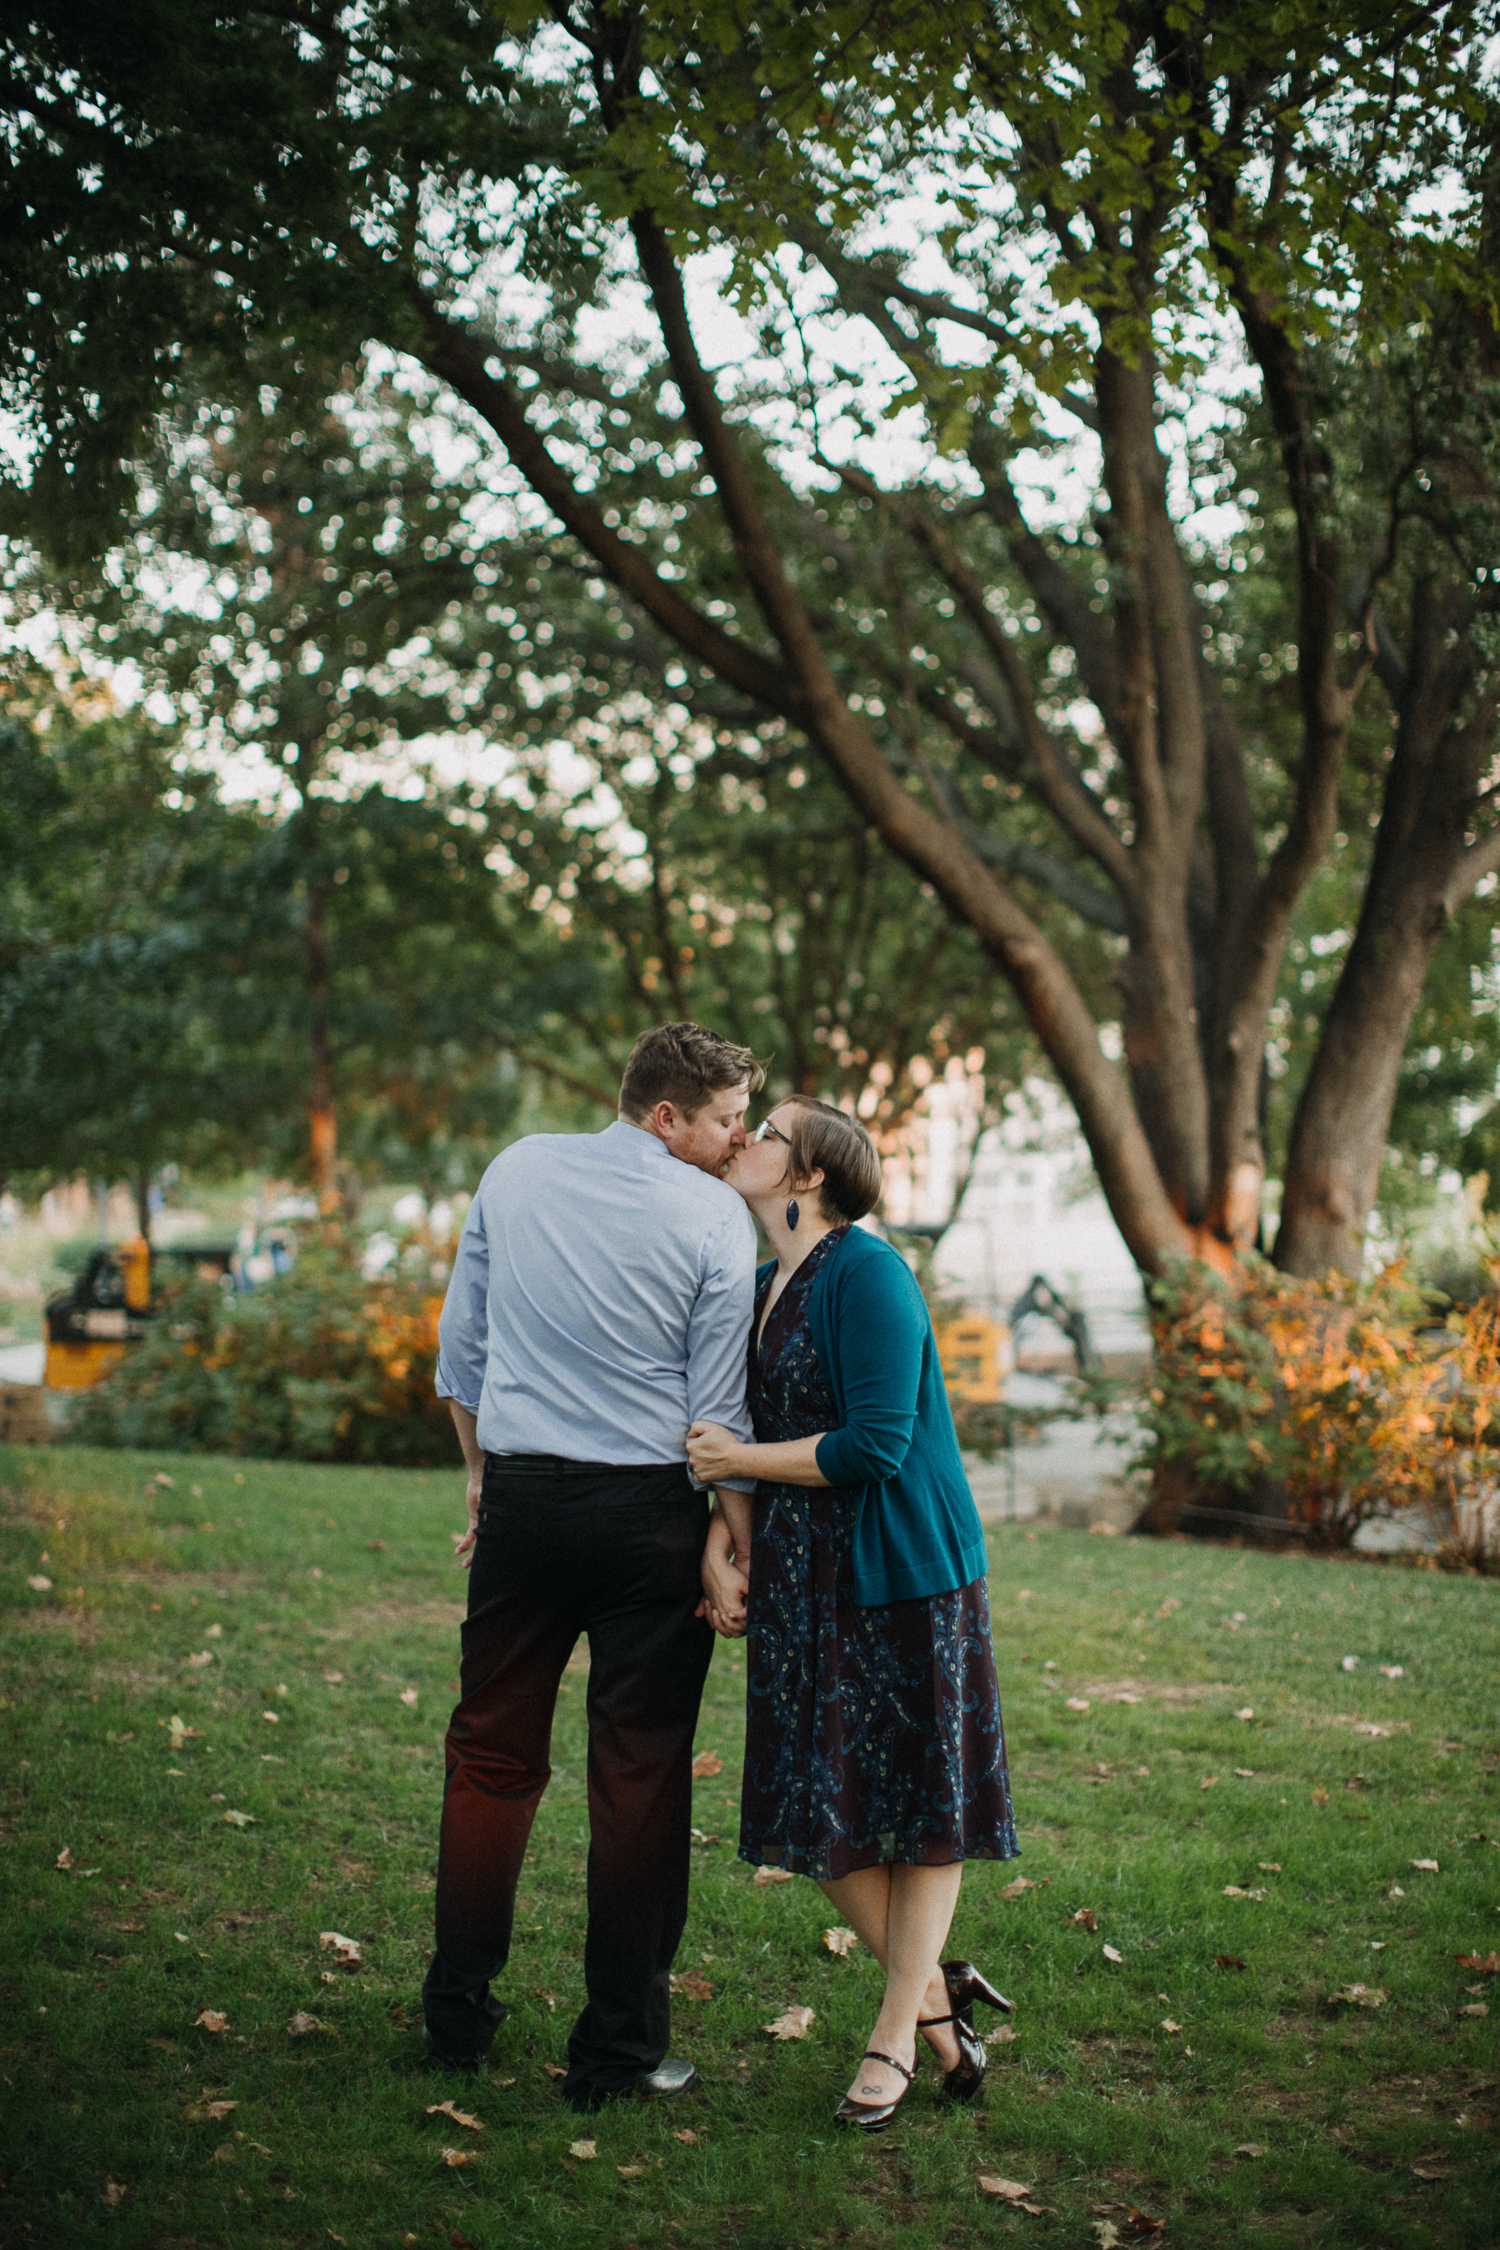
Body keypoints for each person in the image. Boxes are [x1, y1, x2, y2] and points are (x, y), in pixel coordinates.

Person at [424, 1022, 764, 2110]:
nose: (736, 1139)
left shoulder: (517, 1168)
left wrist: (484, 1474)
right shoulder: (713, 1213)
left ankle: (456, 2017)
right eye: (722, 1121)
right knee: (640, 1776)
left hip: (525, 1502)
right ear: (666, 1115)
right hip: (646, 1519)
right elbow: (718, 1410)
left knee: (490, 1757)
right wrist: (733, 1535)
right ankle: (616, 2054)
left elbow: (461, 1352)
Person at [687, 1095, 1018, 2130]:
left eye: (768, 1134)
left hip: (904, 1573)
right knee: (813, 1811)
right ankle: (935, 1994)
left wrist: (735, 1463)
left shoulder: (869, 1274)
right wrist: (720, 1535)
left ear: (812, 1174)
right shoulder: (756, 1283)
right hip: (802, 1580)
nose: (745, 1141)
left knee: (920, 1805)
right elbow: (729, 1428)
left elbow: (875, 1444)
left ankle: (893, 2035)